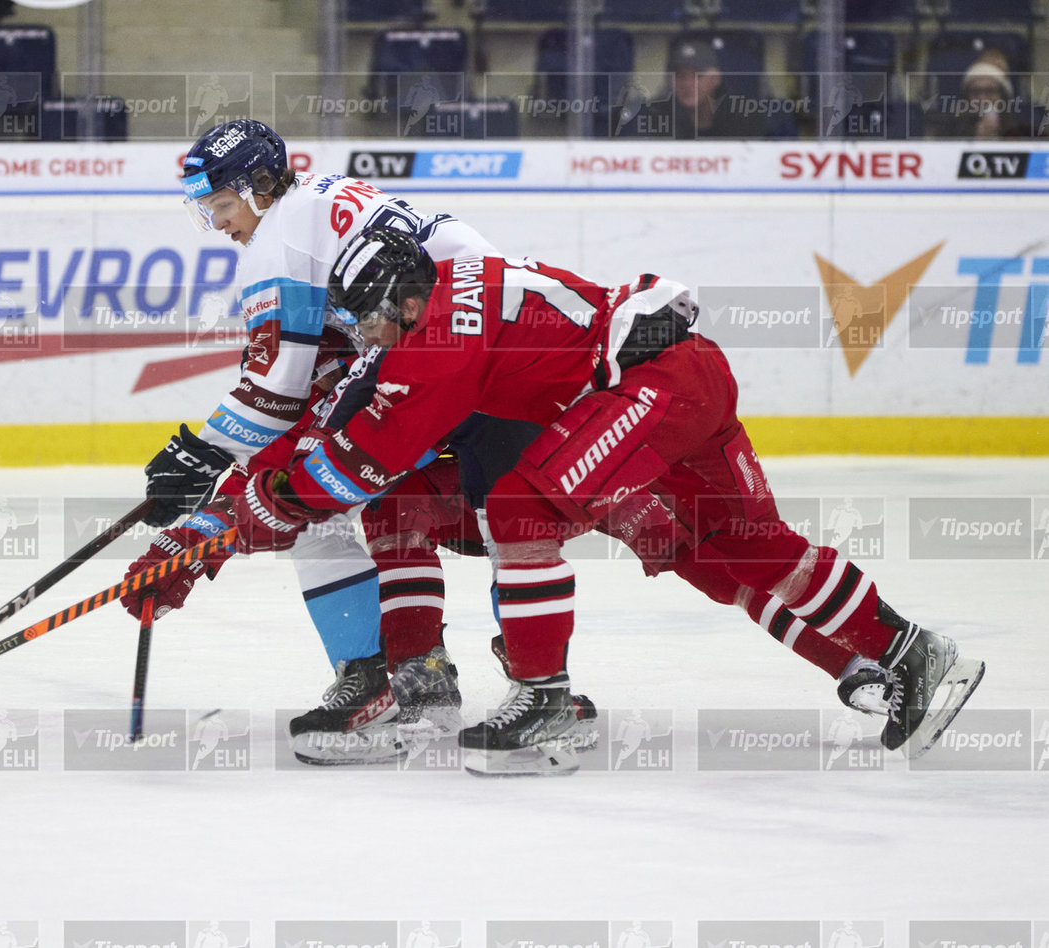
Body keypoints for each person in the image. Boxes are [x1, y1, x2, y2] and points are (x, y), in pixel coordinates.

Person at [229, 227, 985, 775]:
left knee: (524, 508)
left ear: (401, 295)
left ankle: (543, 696)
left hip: (647, 391)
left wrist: (273, 501)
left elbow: (367, 461)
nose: (370, 336)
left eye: (371, 318)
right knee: (721, 552)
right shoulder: (460, 284)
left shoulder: (436, 337)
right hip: (677, 386)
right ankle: (909, 650)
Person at [131, 119, 502, 763]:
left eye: (220, 204)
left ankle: (380, 677)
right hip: (488, 351)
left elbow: (278, 391)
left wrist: (204, 468)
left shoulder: (279, 238)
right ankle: (472, 679)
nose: (217, 223)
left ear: (260, 187)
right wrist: (211, 498)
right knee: (484, 512)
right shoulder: (326, 204)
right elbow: (310, 388)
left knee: (308, 504)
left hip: (435, 360)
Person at [620, 38, 765, 140]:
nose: (688, 84)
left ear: (716, 79)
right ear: (670, 80)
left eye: (698, 75)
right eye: (680, 76)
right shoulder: (652, 118)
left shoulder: (744, 120)